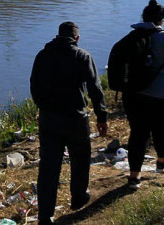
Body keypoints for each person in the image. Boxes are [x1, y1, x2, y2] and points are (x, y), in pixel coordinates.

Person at [31, 21, 108, 224]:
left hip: (49, 119)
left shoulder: (42, 55)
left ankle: (45, 215)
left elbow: (34, 87)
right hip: (75, 116)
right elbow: (95, 88)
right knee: (80, 158)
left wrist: (44, 108)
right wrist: (102, 116)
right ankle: (78, 197)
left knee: (48, 167)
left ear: (57, 36)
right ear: (76, 38)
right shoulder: (82, 56)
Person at [121, 0, 164, 189]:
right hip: (163, 94)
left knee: (138, 133)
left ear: (143, 17)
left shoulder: (131, 37)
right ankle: (161, 160)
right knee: (161, 127)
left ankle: (134, 177)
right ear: (162, 20)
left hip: (134, 94)